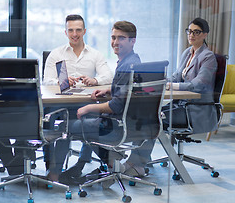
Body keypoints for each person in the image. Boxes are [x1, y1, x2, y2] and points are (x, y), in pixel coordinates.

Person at [47, 20, 141, 182]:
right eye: (113, 38)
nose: (115, 42)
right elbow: (126, 91)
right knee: (76, 120)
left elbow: (117, 104)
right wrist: (110, 90)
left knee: (66, 125)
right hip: (123, 121)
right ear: (65, 32)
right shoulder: (131, 61)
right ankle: (108, 158)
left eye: (121, 38)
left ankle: (56, 173)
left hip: (115, 124)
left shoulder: (125, 65)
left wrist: (89, 108)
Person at [124, 17, 218, 178]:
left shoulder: (208, 57)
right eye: (190, 31)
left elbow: (199, 84)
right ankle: (139, 158)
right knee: (145, 114)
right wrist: (159, 81)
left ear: (205, 35)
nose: (192, 35)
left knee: (153, 119)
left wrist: (171, 86)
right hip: (181, 105)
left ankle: (138, 164)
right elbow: (175, 76)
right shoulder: (187, 53)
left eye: (197, 32)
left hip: (195, 110)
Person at [43, 14, 113, 177]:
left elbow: (108, 76)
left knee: (88, 118)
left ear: (85, 31)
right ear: (65, 32)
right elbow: (46, 81)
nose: (75, 34)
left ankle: (80, 164)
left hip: (85, 102)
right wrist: (63, 82)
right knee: (55, 121)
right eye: (71, 30)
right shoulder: (56, 54)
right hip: (60, 102)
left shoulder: (95, 54)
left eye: (78, 30)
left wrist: (94, 80)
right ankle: (52, 166)